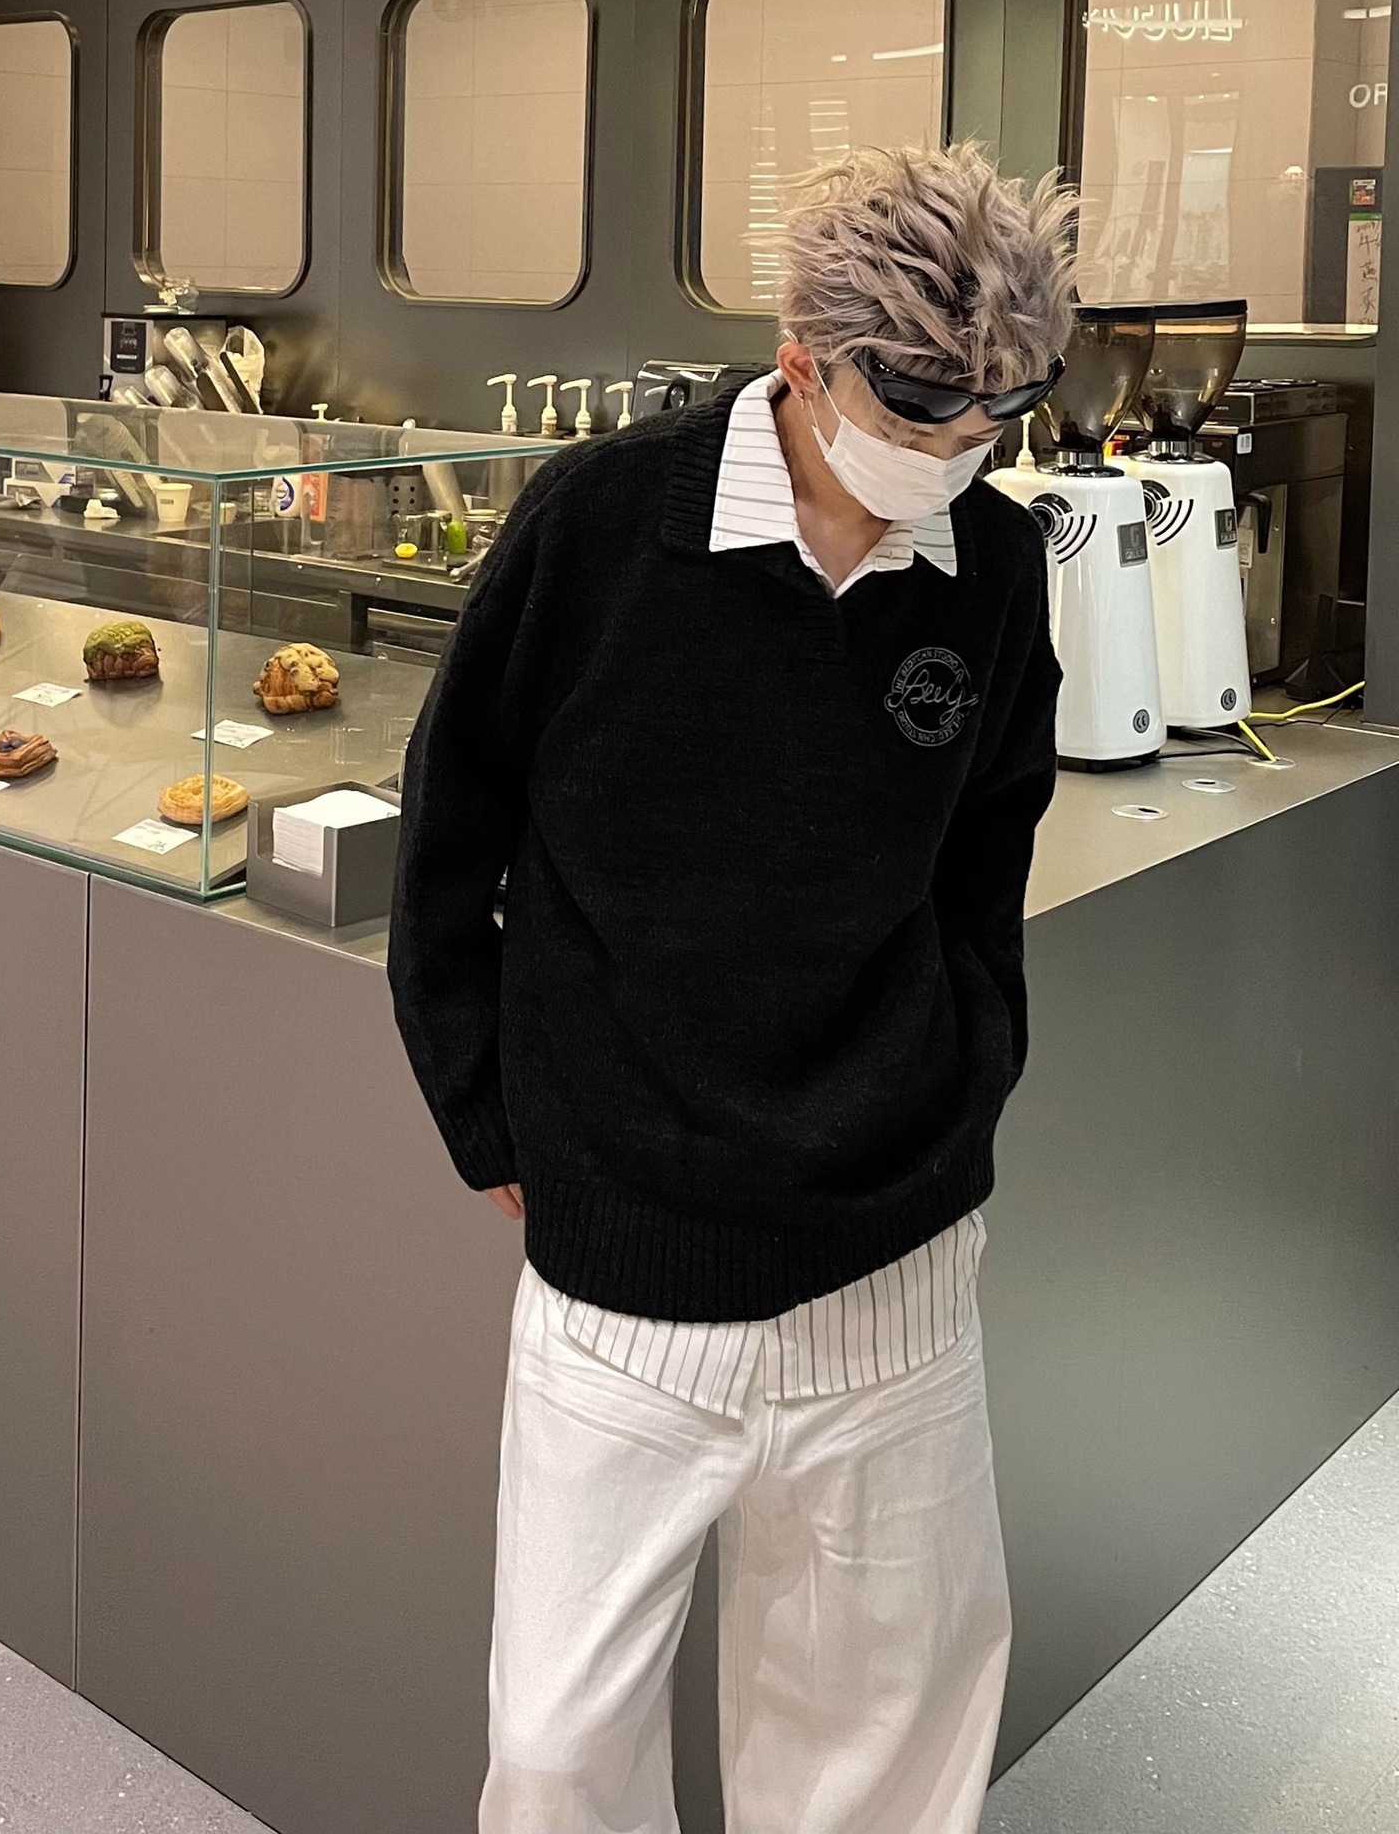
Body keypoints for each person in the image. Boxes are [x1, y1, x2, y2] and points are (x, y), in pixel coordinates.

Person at [389, 141, 1076, 1834]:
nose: (954, 453)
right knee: (559, 1751)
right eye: (919, 409)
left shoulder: (993, 567)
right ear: (803, 359)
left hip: (896, 1263)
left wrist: (967, 1072)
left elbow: (987, 861)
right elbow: (452, 827)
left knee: (880, 1749)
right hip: (625, 1260)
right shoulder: (602, 523)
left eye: (996, 416)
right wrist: (488, 1112)